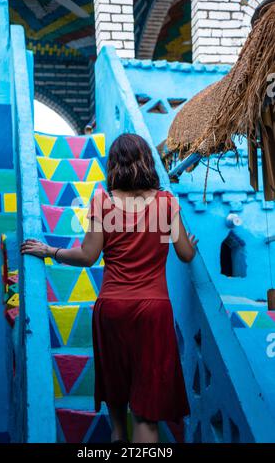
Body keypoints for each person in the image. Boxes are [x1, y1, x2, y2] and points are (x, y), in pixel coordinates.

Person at [21, 133, 198, 444]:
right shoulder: (166, 202)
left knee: (117, 401)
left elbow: (88, 256)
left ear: (114, 164)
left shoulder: (102, 201)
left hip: (112, 309)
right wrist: (191, 246)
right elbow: (185, 254)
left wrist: (51, 251)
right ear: (146, 161)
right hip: (153, 311)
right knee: (145, 416)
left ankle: (117, 436)